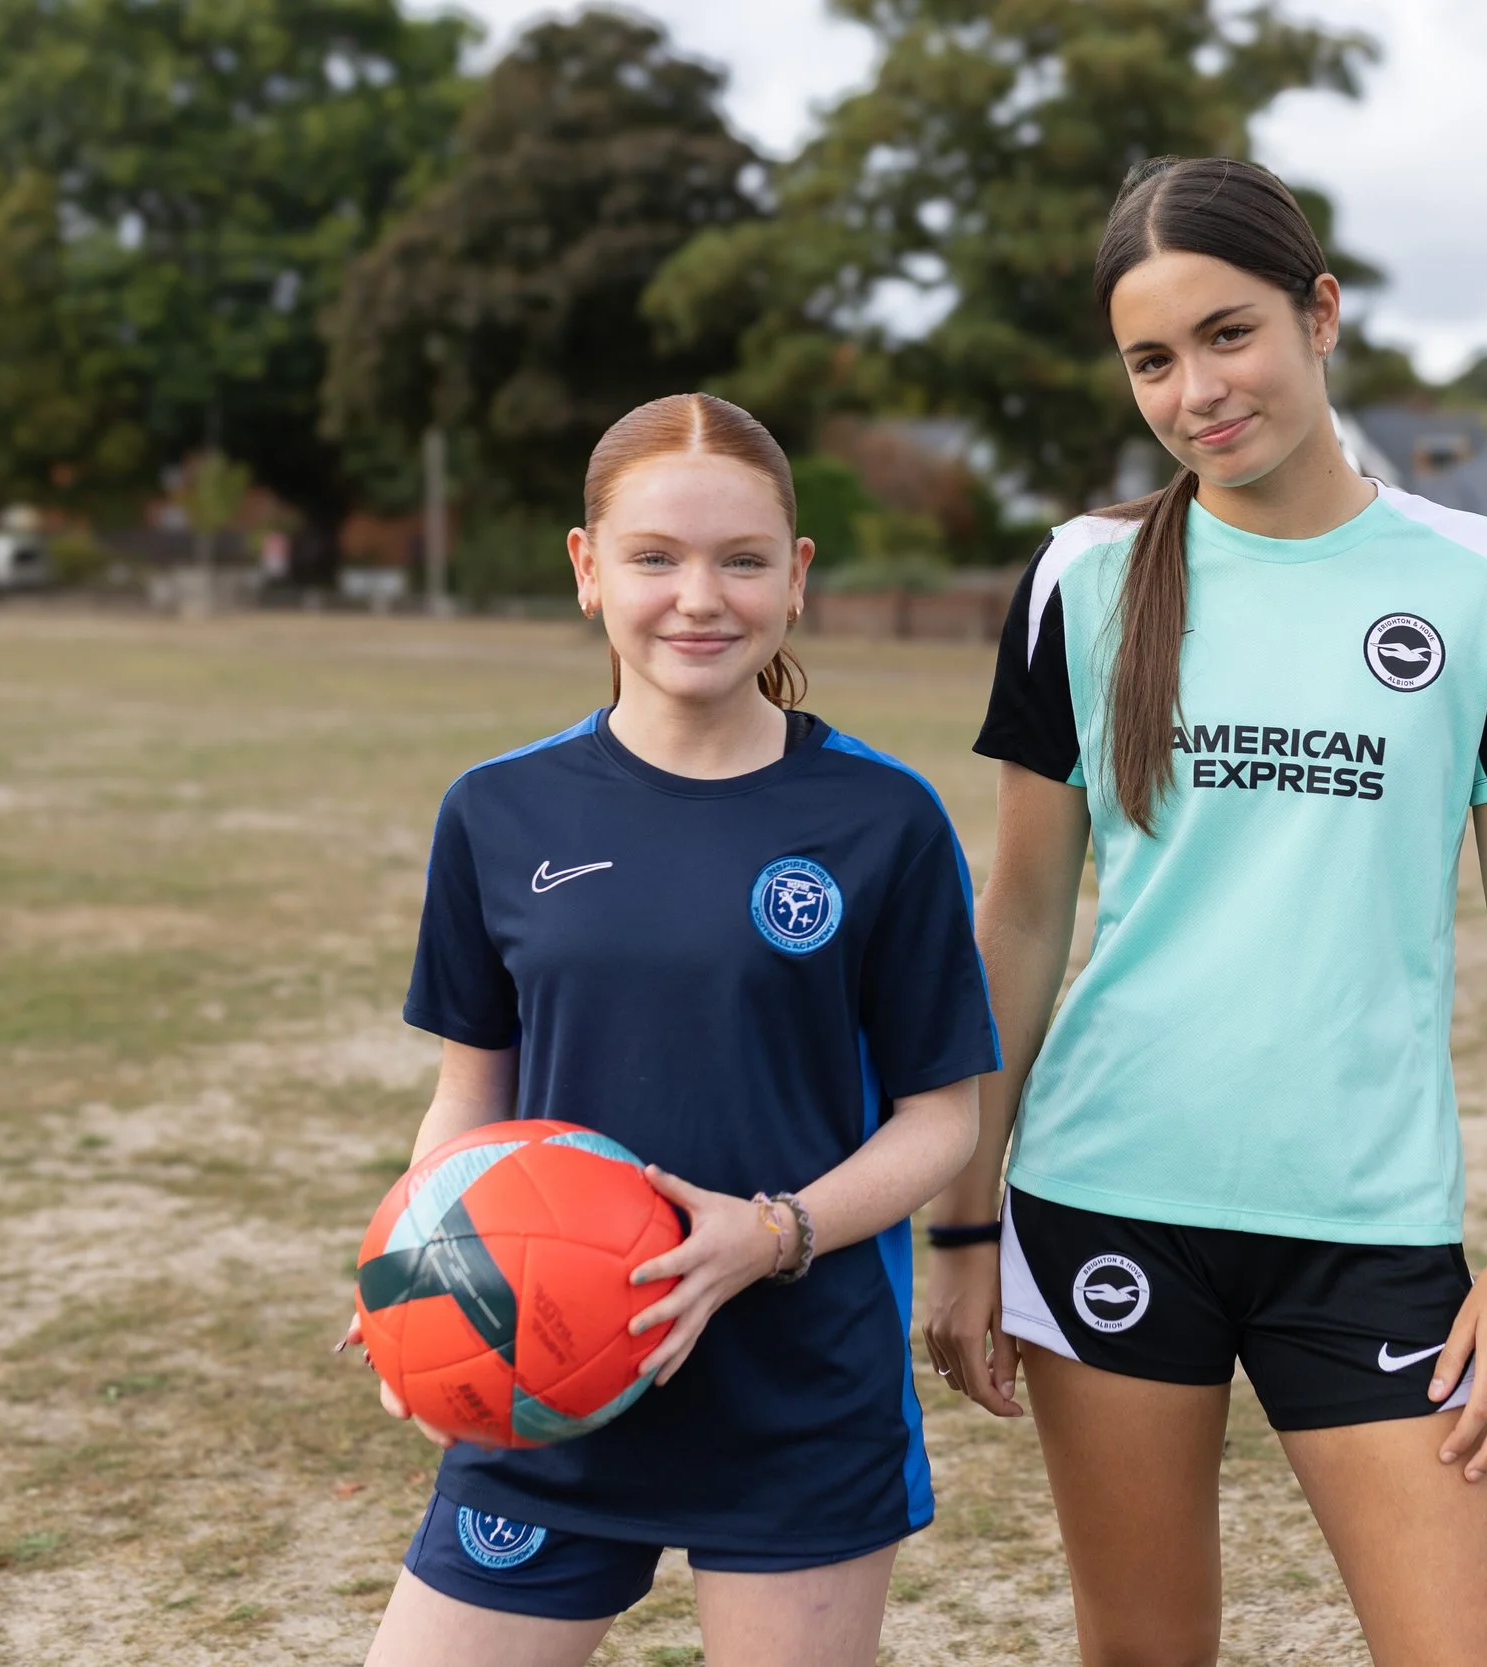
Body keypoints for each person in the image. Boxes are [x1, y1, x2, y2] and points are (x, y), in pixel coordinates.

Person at [922, 157, 1487, 1666]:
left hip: (1364, 1219)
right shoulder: (1083, 579)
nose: (1196, 390)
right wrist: (961, 1217)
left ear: (1320, 313)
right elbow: (1019, 920)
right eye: (1152, 359)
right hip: (1109, 1194)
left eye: (1228, 334)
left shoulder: (1480, 578)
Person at [350, 393, 1000, 1667]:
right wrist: (417, 1266)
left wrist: (770, 1234)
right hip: (541, 1364)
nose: (698, 596)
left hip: (794, 1387)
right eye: (655, 556)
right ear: (588, 570)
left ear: (796, 577)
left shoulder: (884, 819)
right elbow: (468, 1097)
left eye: (740, 559)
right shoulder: (497, 810)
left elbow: (943, 1118)